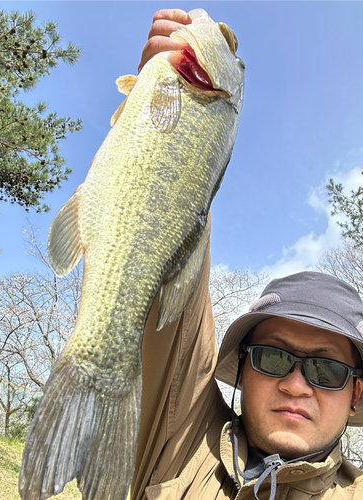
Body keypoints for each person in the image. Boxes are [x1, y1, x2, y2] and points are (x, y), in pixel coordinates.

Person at [130, 9, 363, 500]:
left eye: (327, 369)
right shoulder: (181, 443)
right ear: (243, 368)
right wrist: (172, 127)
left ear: (356, 392)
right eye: (273, 358)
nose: (297, 385)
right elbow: (170, 285)